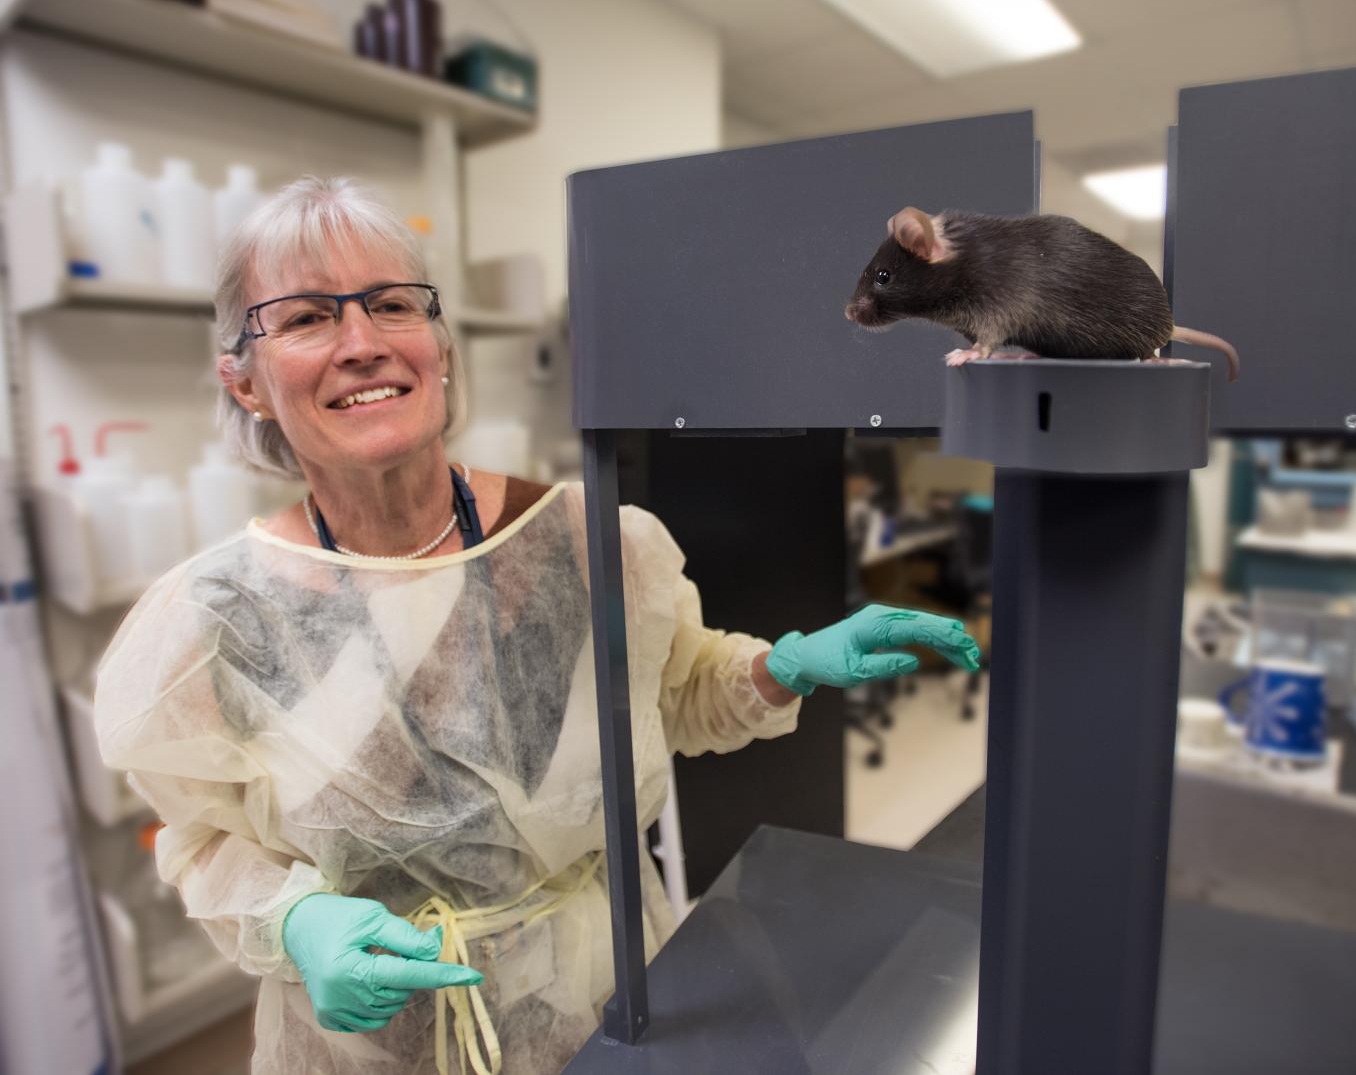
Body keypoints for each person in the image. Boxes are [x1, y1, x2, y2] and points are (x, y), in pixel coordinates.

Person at [93, 176, 981, 1075]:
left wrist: (784, 667)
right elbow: (203, 838)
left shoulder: (590, 543)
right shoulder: (212, 620)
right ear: (244, 381)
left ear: (440, 345)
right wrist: (293, 920)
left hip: (605, 1010)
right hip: (364, 1053)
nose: (361, 343)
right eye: (306, 317)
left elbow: (672, 694)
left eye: (391, 304)